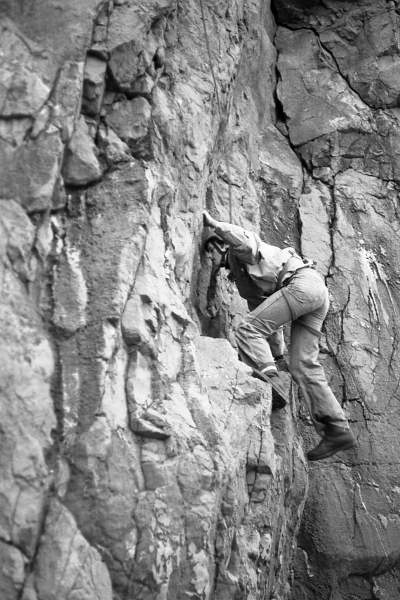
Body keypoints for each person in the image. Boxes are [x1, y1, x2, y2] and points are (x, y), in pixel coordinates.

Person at [203, 210, 357, 461]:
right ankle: (337, 429)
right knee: (302, 364)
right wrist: (277, 357)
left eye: (211, 250)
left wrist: (216, 226)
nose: (209, 257)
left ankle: (273, 383)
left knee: (246, 329)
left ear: (223, 245)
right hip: (314, 293)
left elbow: (245, 240)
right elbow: (269, 324)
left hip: (303, 285)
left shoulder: (242, 253)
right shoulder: (245, 281)